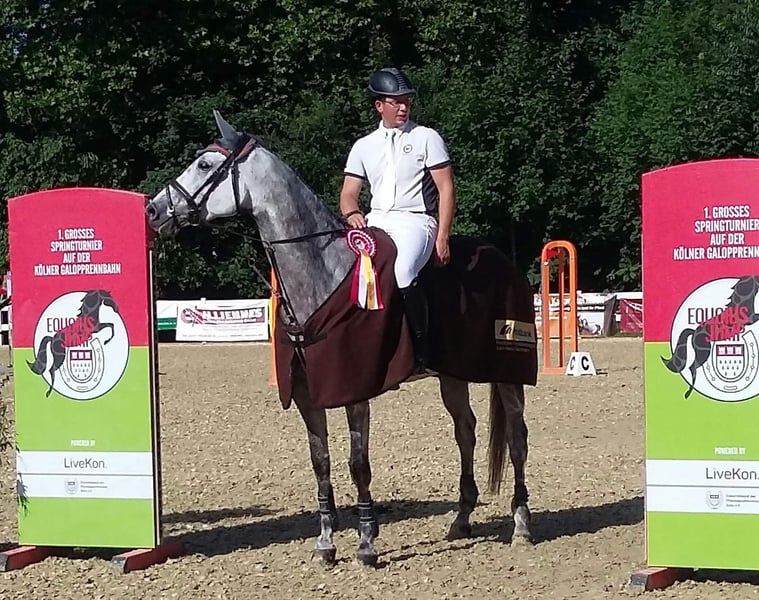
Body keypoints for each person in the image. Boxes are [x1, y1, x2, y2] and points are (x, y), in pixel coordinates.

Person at [339, 67, 457, 373]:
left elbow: (446, 188)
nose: (404, 107)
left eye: (406, 101)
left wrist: (443, 236)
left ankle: (423, 354)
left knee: (403, 271)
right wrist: (352, 213)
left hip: (416, 221)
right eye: (397, 102)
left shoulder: (426, 137)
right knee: (347, 270)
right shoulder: (363, 146)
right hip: (376, 219)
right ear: (380, 105)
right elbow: (348, 194)